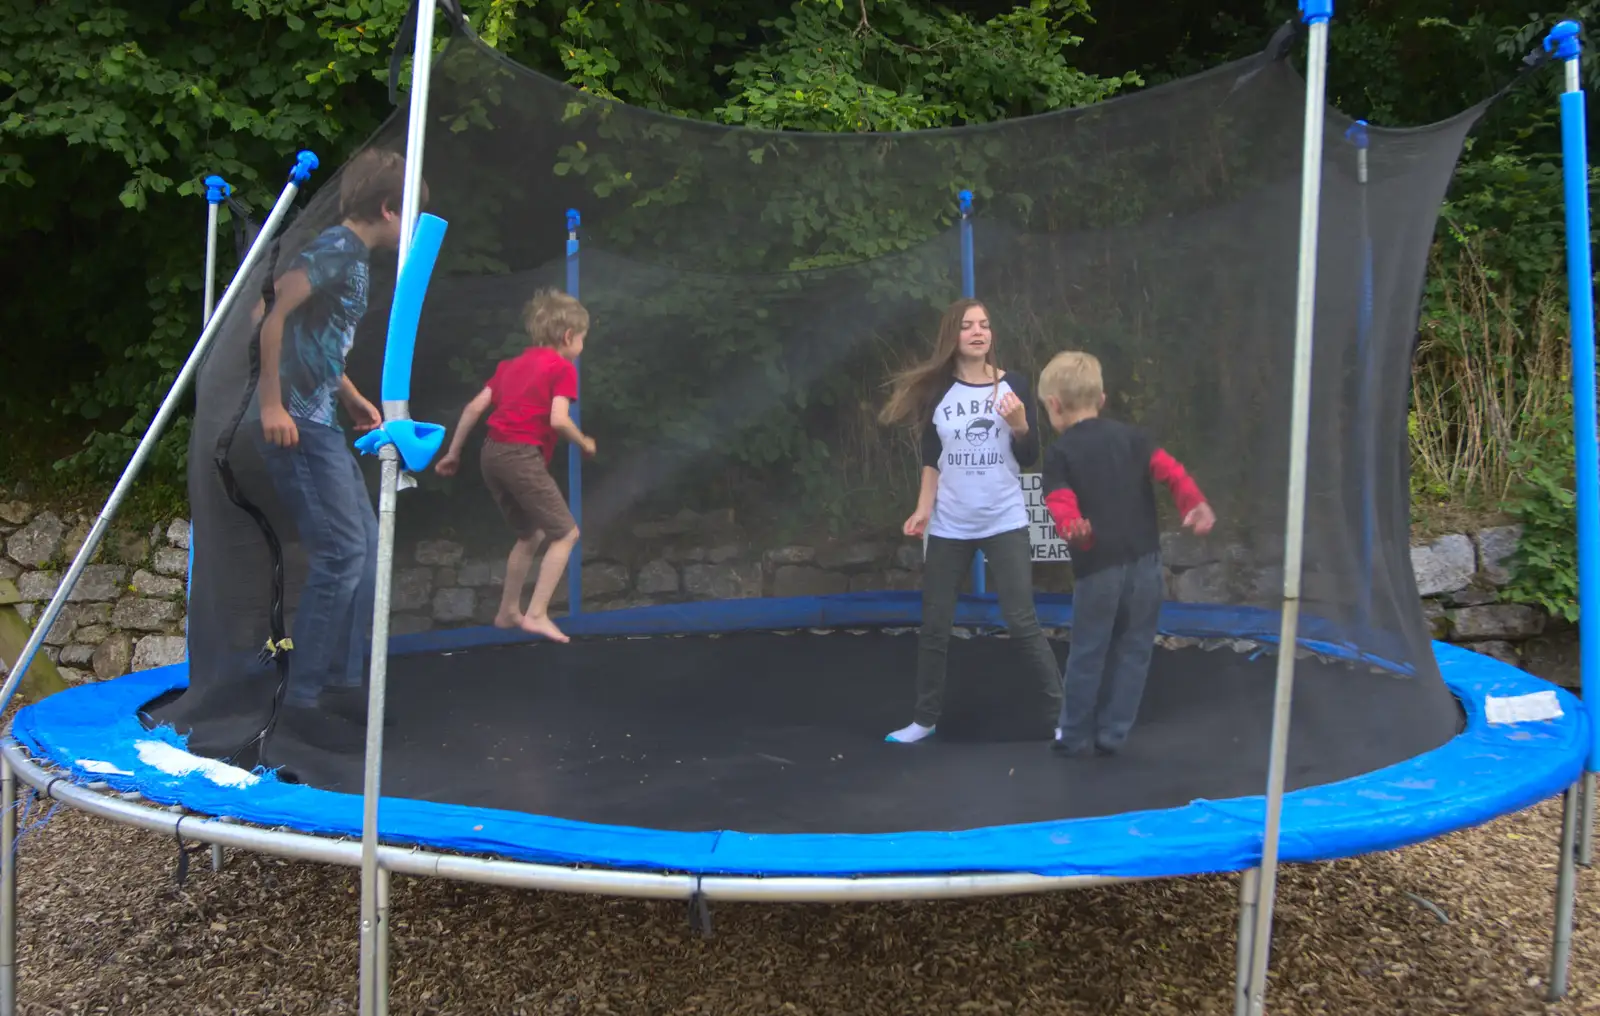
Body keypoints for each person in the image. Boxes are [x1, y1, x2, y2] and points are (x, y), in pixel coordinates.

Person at [255, 147, 419, 748]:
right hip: (297, 424)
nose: (408, 231)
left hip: (322, 417)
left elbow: (314, 336)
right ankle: (303, 701)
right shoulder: (336, 248)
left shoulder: (348, 255)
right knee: (343, 552)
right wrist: (271, 403)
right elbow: (268, 313)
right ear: (386, 208)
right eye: (409, 216)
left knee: (367, 546)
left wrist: (347, 393)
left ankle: (346, 683)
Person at [878, 298, 1063, 744]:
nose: (978, 332)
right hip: (950, 523)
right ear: (953, 337)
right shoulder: (938, 393)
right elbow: (931, 457)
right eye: (967, 326)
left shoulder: (1013, 385)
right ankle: (924, 718)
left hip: (1004, 517)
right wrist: (923, 508)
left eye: (984, 325)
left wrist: (1020, 425)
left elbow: (1029, 455)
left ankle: (1064, 715)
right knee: (936, 622)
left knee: (1022, 619)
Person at [1038, 351, 1216, 757]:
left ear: (1054, 405)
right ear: (1101, 399)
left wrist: (1073, 528)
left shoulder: (1061, 453)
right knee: (1135, 648)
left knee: (1088, 650)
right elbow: (1171, 471)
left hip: (1098, 565)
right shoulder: (1134, 439)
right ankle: (1113, 733)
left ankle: (1074, 734)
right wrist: (1194, 503)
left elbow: (1060, 501)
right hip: (1146, 563)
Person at [435, 289, 596, 644]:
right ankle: (536, 613)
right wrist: (583, 442)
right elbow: (558, 419)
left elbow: (474, 409)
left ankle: (508, 610)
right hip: (521, 456)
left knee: (530, 534)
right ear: (569, 336)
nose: (582, 346)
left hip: (491, 454)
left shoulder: (509, 367)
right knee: (566, 534)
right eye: (583, 339)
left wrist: (453, 452)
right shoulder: (562, 368)